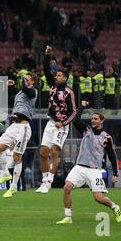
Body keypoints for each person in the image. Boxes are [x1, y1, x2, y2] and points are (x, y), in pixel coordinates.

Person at [56, 100, 121, 224]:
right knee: (67, 187)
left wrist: (116, 174)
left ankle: (114, 207)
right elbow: (75, 121)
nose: (93, 120)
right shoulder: (86, 130)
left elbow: (112, 156)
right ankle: (68, 217)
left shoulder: (106, 137)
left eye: (96, 119)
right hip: (80, 167)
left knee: (98, 198)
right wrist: (82, 106)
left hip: (94, 170)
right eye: (92, 118)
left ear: (101, 121)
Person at [37, 46, 77, 194]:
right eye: (56, 75)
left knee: (54, 152)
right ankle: (44, 180)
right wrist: (47, 55)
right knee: (43, 152)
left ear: (65, 78)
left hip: (62, 126)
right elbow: (46, 69)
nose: (56, 77)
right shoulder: (52, 86)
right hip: (51, 123)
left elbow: (74, 112)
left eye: (59, 75)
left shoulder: (69, 92)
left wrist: (64, 123)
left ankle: (49, 182)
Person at [0, 73, 38, 198]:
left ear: (32, 81)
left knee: (16, 157)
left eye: (27, 79)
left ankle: (13, 187)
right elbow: (15, 101)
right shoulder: (20, 93)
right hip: (14, 126)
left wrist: (20, 82)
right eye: (24, 79)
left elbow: (28, 92)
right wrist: (10, 87)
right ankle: (5, 174)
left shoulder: (33, 91)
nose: (24, 81)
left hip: (23, 128)